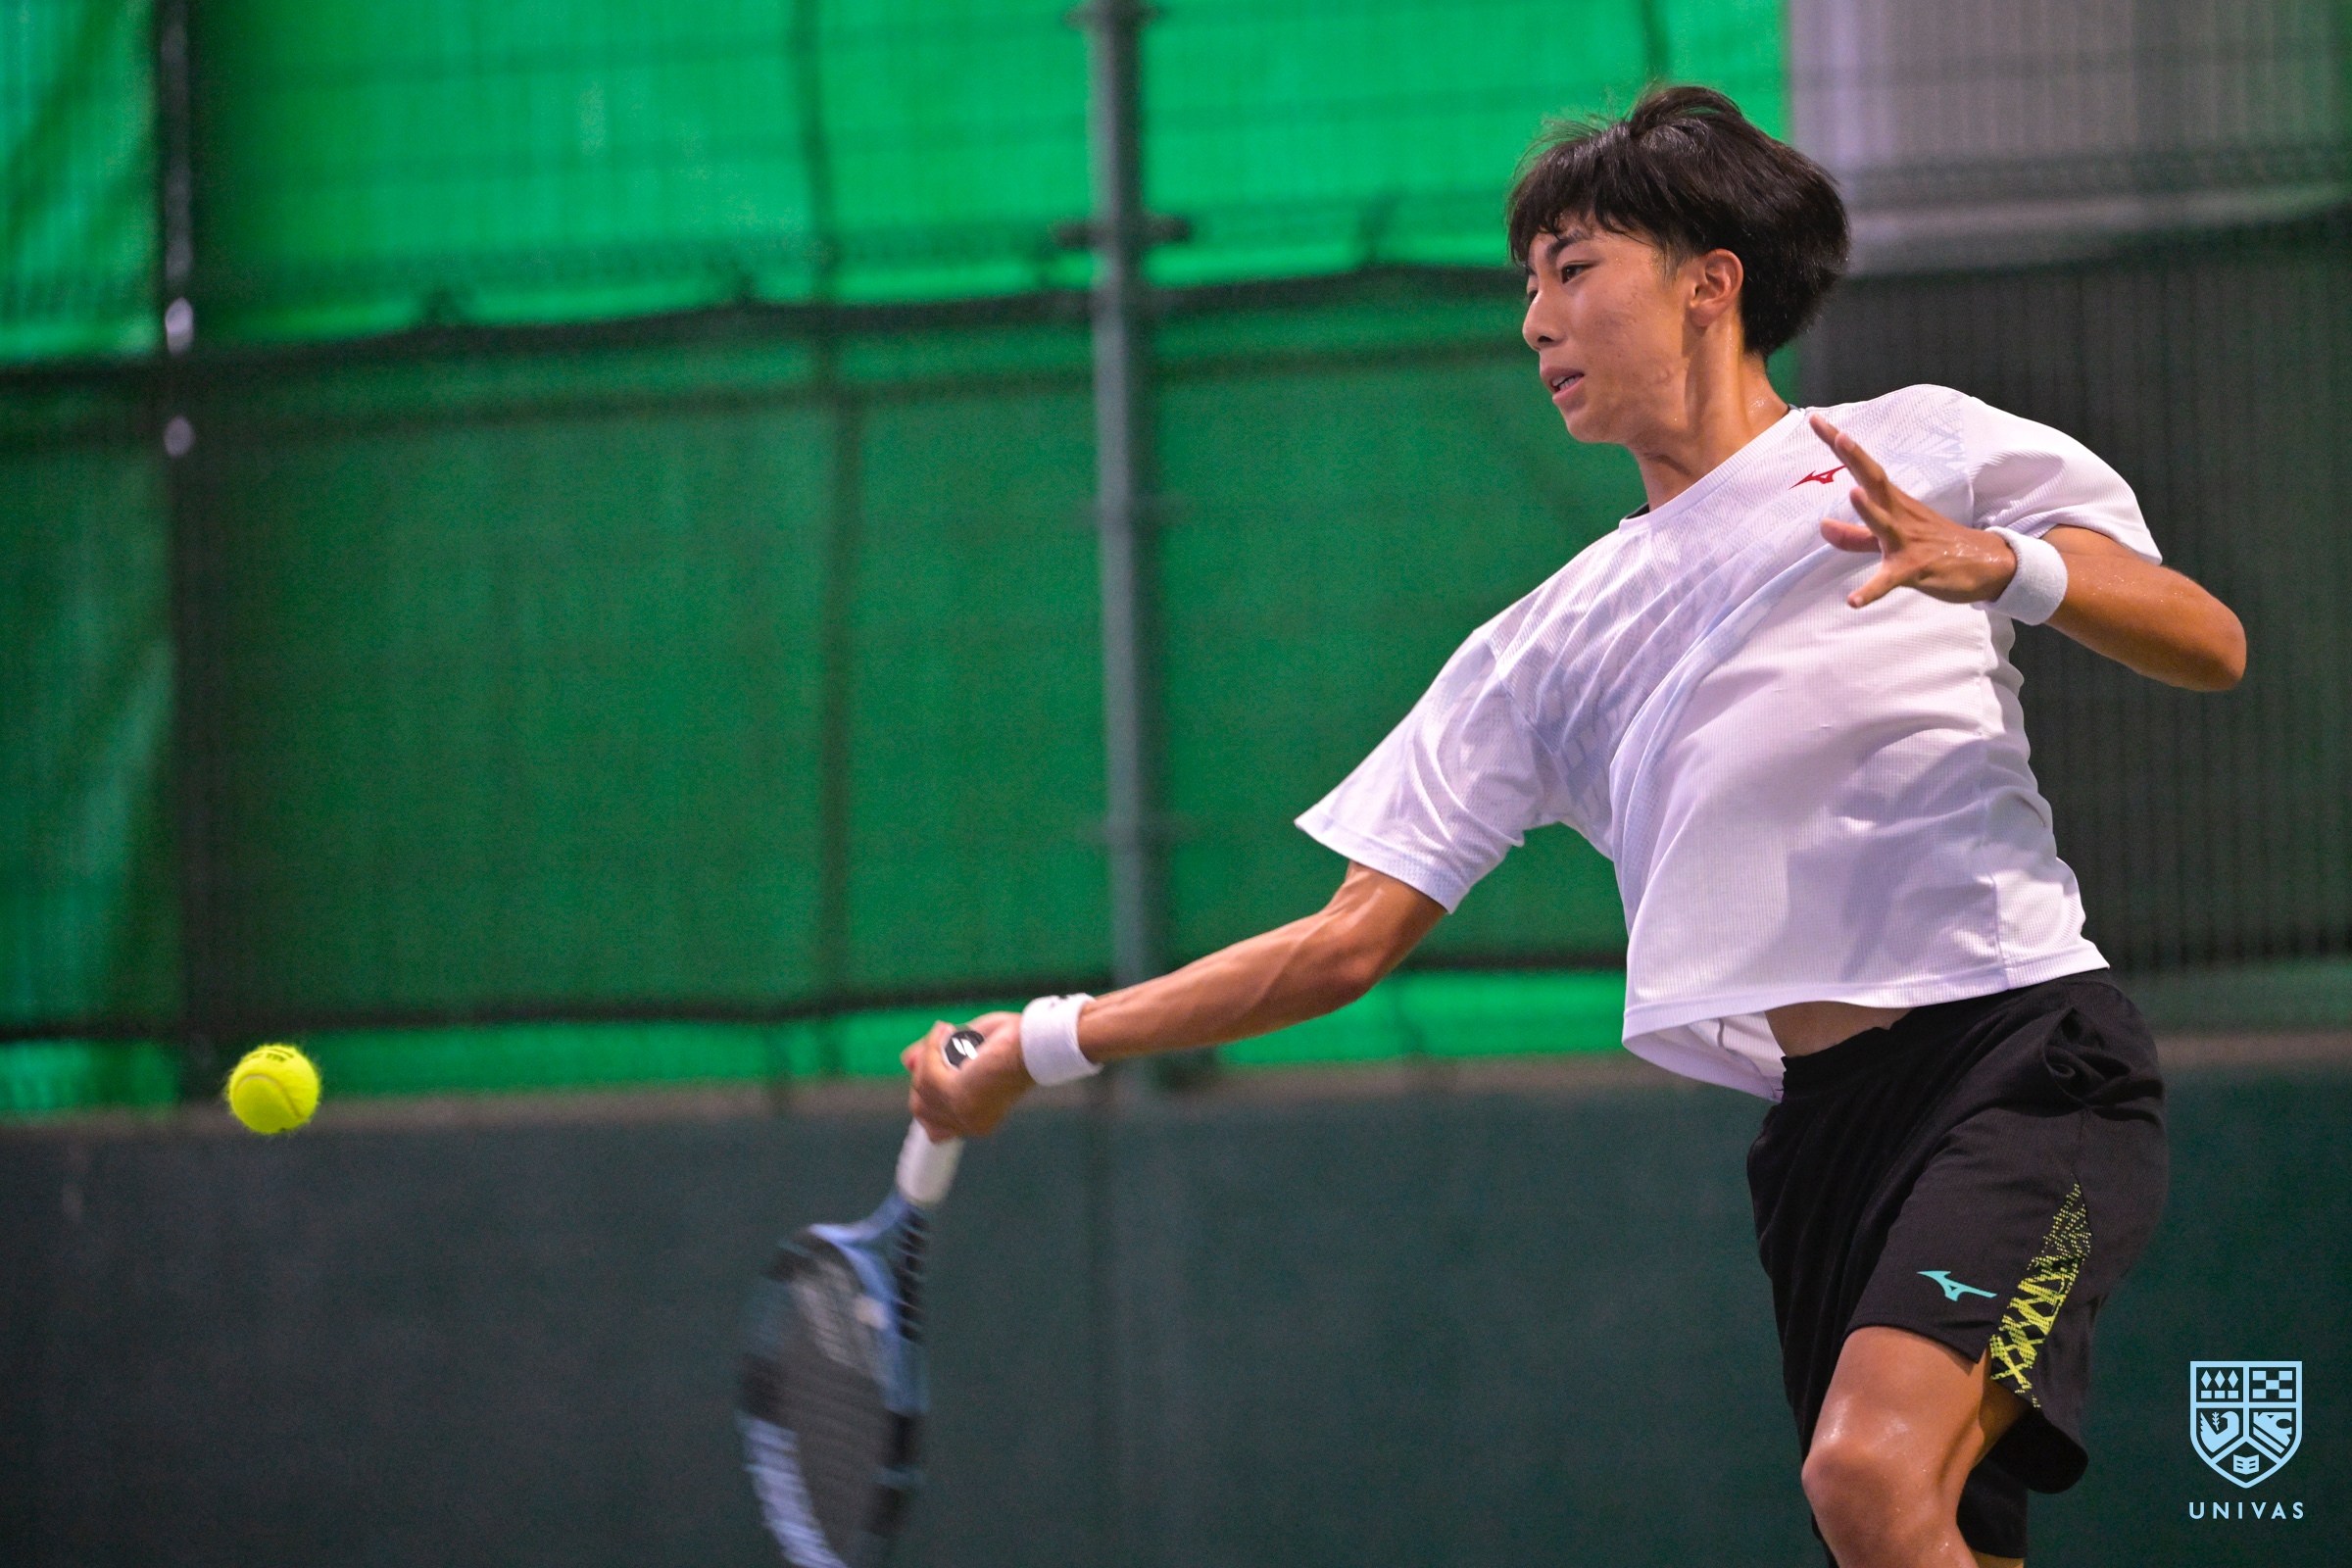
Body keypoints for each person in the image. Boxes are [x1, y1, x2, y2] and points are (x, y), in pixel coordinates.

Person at [901, 85, 2244, 1568]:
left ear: (1710, 284)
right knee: (1913, 1533)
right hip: (1821, 1136)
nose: (1535, 320)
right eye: (1525, 284)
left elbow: (2207, 641)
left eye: (1574, 268)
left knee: (1868, 1477)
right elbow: (1342, 946)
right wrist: (1040, 1044)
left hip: (2027, 1066)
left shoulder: (1920, 445)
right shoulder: (1542, 646)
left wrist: (2001, 562)